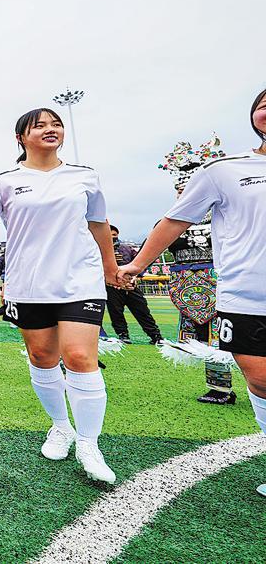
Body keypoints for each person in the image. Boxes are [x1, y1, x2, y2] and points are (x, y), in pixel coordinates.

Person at [118, 87, 266, 499]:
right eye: (263, 105)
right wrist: (136, 265)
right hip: (240, 295)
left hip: (222, 291)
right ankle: (223, 390)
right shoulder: (223, 171)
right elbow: (173, 221)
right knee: (258, 376)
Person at [0, 107, 121, 484]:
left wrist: (110, 268)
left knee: (81, 356)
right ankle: (60, 427)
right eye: (40, 126)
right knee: (41, 356)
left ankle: (88, 443)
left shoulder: (84, 177)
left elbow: (98, 225)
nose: (50, 130)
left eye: (56, 124)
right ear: (21, 138)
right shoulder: (5, 182)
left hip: (79, 280)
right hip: (28, 284)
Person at [156, 135, 235, 404]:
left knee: (235, 337)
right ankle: (220, 388)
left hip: (225, 283)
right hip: (187, 288)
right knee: (210, 341)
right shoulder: (170, 221)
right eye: (181, 191)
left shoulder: (226, 216)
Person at [106, 225, 164, 344]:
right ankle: (123, 335)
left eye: (115, 235)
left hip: (131, 285)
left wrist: (135, 277)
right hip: (112, 287)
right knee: (116, 312)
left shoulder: (127, 248)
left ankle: (155, 336)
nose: (113, 237)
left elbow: (139, 263)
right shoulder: (101, 250)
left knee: (142, 310)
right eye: (110, 235)